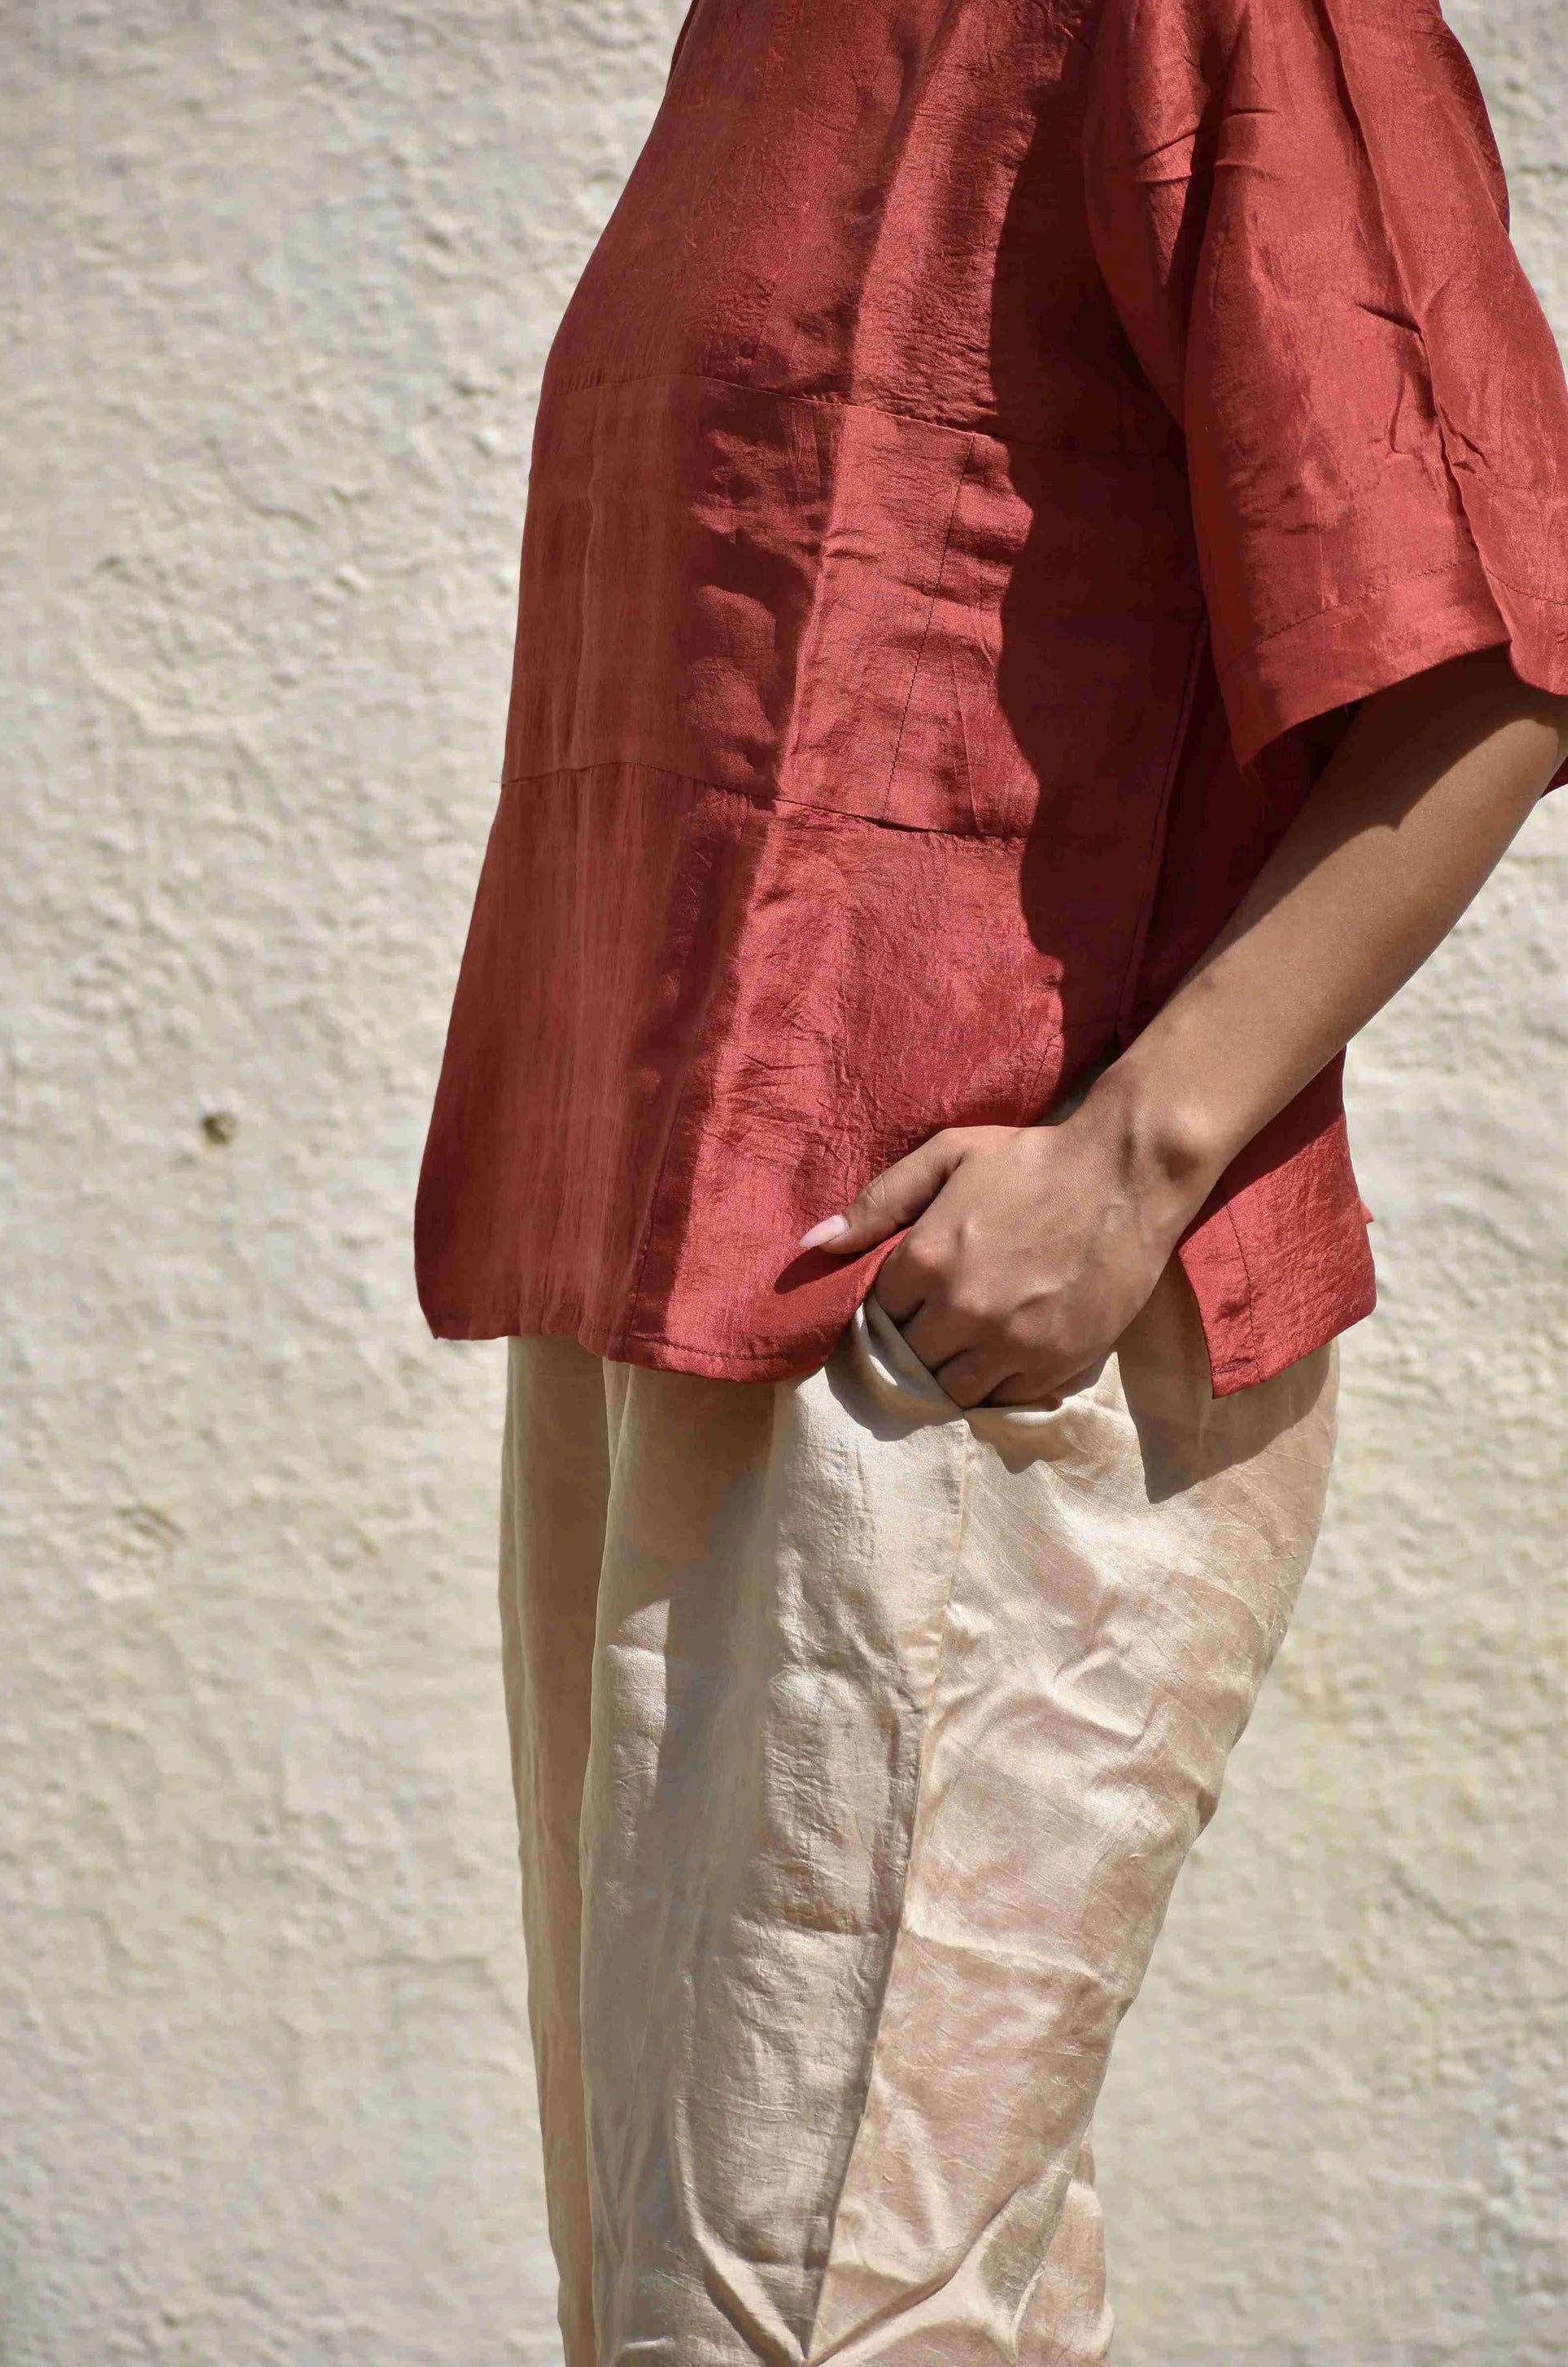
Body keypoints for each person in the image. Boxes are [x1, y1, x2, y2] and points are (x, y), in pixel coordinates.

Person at [416, 0, 1568, 2356]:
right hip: (662, 1333)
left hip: (956, 1371)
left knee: (800, 2319)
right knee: (754, 2301)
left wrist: (1129, 1161)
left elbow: (1501, 643)